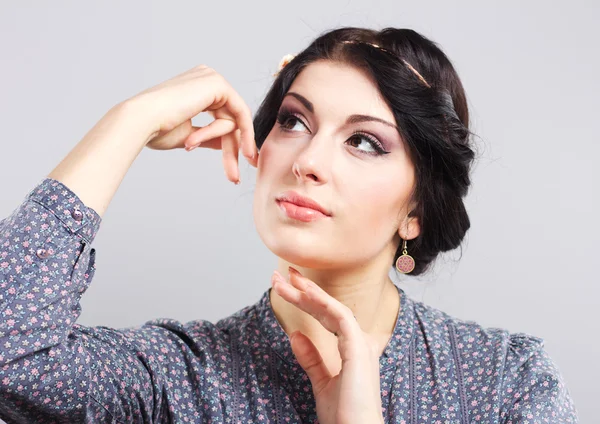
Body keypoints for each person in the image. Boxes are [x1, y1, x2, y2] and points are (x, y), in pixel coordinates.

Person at [0, 26, 577, 423]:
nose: (307, 161)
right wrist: (129, 121)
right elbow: (12, 355)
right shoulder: (178, 377)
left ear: (416, 210)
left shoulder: (505, 382)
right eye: (295, 121)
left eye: (364, 141)